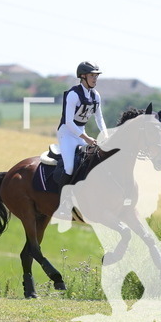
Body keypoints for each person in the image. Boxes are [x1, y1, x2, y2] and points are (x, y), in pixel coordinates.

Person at [54, 61, 107, 221]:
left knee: (91, 163)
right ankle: (62, 205)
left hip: (81, 133)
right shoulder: (73, 94)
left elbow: (99, 117)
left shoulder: (95, 95)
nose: (95, 78)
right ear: (83, 76)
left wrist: (105, 134)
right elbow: (69, 123)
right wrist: (87, 138)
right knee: (70, 167)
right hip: (67, 133)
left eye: (96, 75)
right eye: (92, 75)